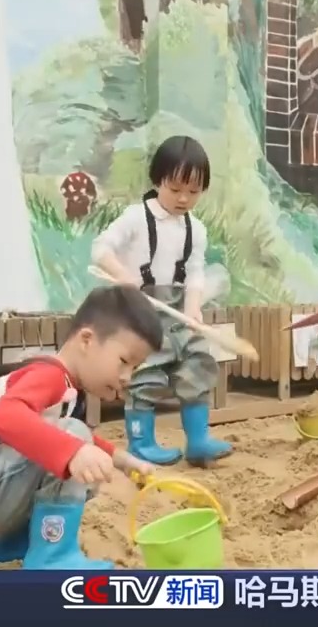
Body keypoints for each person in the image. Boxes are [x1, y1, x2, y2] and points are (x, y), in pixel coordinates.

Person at [0, 286, 161, 569]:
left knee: (77, 448)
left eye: (135, 369)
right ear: (87, 340)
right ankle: (52, 555)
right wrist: (75, 451)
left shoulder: (63, 386)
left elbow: (67, 438)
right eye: (124, 361)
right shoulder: (49, 375)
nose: (127, 377)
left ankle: (18, 543)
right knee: (74, 444)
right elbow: (6, 416)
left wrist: (124, 461)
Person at [91, 136, 232, 467]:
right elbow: (100, 249)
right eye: (175, 189)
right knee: (147, 373)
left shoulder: (196, 229)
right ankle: (141, 443)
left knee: (197, 363)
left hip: (178, 309)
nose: (183, 198)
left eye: (193, 191)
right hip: (139, 311)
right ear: (158, 180)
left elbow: (195, 273)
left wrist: (193, 307)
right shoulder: (135, 217)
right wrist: (122, 275)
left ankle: (198, 440)